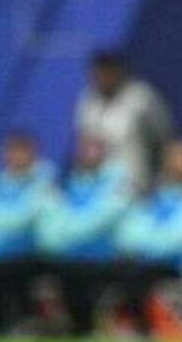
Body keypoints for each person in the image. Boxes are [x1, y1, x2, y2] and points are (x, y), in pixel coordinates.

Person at [115, 139, 182, 334]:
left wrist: (149, 243)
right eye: (172, 157)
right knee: (120, 266)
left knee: (135, 273)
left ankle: (143, 327)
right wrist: (152, 242)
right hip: (152, 262)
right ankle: (138, 325)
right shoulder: (161, 194)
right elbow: (128, 233)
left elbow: (181, 240)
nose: (175, 162)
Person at [37, 136, 132, 335]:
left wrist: (68, 234)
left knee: (81, 272)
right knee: (60, 268)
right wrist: (63, 240)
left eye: (94, 149)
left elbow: (101, 220)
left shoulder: (118, 183)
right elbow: (51, 220)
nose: (88, 155)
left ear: (104, 153)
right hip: (69, 257)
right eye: (84, 149)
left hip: (106, 257)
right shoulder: (68, 183)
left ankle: (91, 325)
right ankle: (75, 326)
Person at [75, 51, 173, 191]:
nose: (102, 79)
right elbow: (83, 141)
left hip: (134, 181)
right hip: (97, 184)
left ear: (118, 72)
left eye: (107, 73)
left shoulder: (141, 97)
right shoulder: (88, 99)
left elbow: (163, 137)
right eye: (97, 74)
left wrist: (162, 175)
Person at [0, 132, 56, 332]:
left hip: (31, 253)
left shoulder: (44, 182)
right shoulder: (2, 182)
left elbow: (25, 217)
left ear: (33, 154)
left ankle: (25, 320)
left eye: (21, 152)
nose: (15, 157)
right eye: (11, 152)